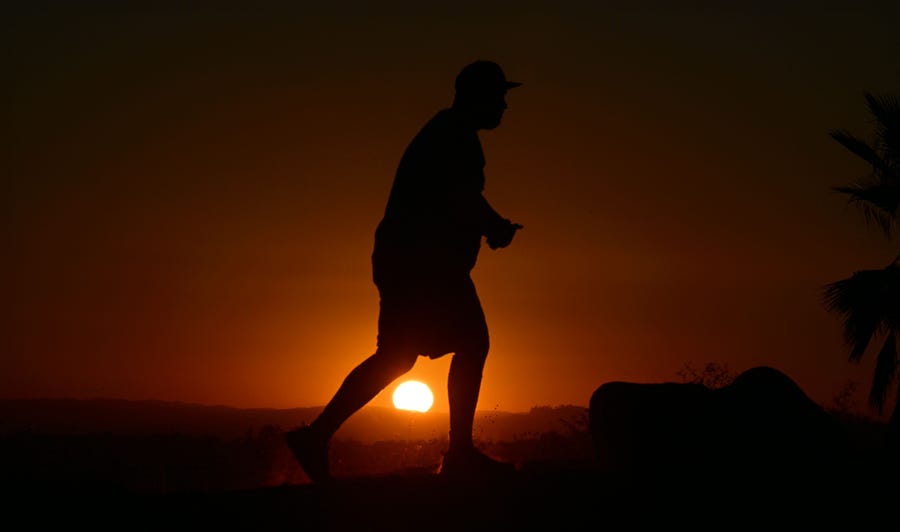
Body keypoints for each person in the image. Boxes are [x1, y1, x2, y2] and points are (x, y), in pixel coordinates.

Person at [285, 60, 524, 483]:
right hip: (424, 265)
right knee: (471, 342)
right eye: (499, 96)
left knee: (396, 356)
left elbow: (461, 198)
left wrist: (491, 226)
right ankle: (461, 455)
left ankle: (315, 437)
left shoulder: (446, 133)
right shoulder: (457, 138)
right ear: (478, 97)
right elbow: (460, 198)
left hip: (409, 262)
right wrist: (495, 228)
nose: (505, 106)